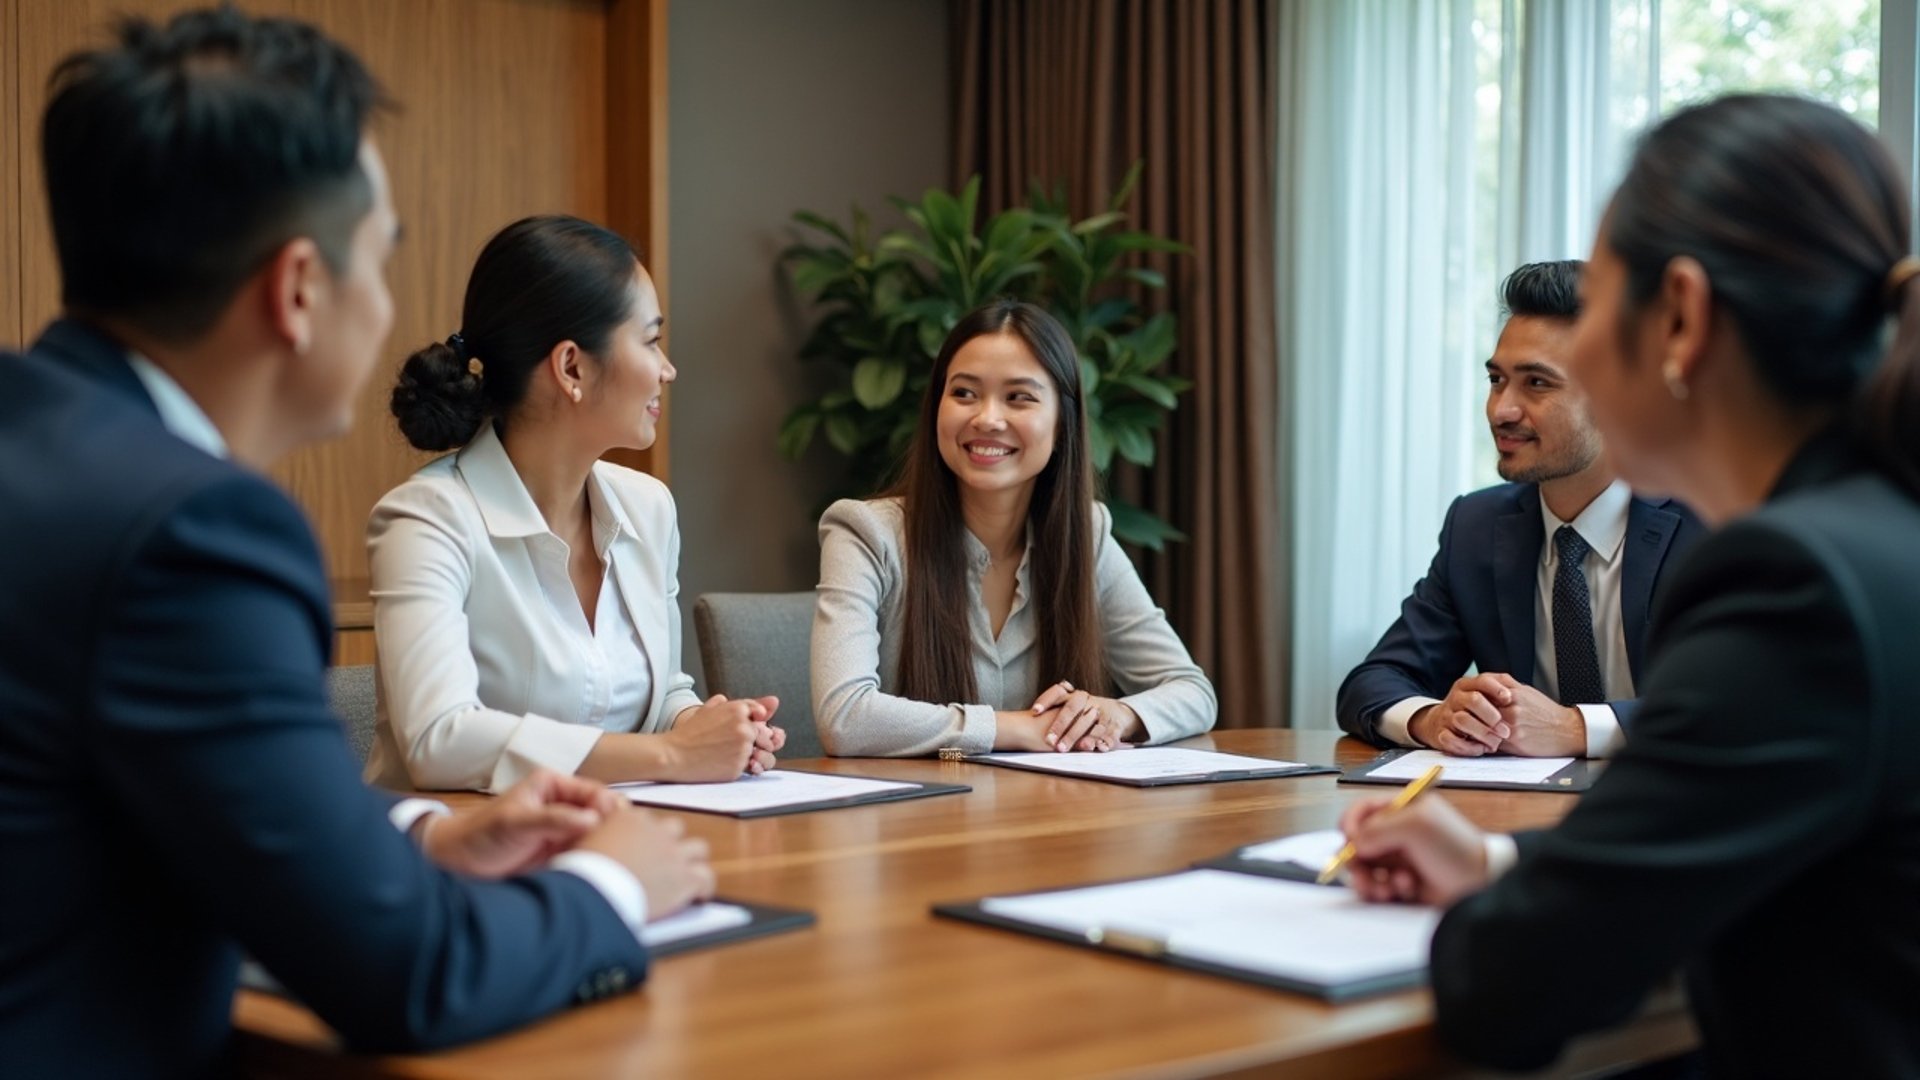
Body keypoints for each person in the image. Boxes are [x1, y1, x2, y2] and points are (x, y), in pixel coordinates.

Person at [0, 10, 711, 1075]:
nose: (390, 311)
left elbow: (149, 795)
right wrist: (614, 881)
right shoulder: (193, 536)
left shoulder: (41, 449)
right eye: (379, 261)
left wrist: (416, 836)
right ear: (297, 290)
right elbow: (408, 974)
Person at [1338, 94, 1920, 1076]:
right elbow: (1745, 839)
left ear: (1681, 318)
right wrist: (1494, 859)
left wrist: (1504, 911)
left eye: (1600, 302)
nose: (1506, 405)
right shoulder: (1878, 533)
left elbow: (1511, 987)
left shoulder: (1794, 585)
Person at [366, 214, 784, 793]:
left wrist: (711, 729)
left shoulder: (650, 507)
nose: (668, 369)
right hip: (462, 858)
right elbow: (439, 740)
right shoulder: (425, 520)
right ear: (571, 367)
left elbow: (660, 695)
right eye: (651, 340)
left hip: (619, 839)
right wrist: (669, 755)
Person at [812, 299, 1217, 756]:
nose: (987, 418)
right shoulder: (867, 533)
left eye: (1018, 397)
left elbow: (1191, 691)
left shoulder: (1087, 534)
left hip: (1044, 817)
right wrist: (1019, 729)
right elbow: (844, 718)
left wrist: (1114, 715)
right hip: (910, 822)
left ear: (1063, 422)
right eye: (964, 393)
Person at [1338, 261, 1703, 758]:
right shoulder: (1476, 525)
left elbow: (1750, 701)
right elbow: (1373, 682)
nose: (1500, 409)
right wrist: (1431, 717)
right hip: (1516, 816)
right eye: (1496, 379)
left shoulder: (1707, 520)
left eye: (1536, 383)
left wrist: (1576, 728)